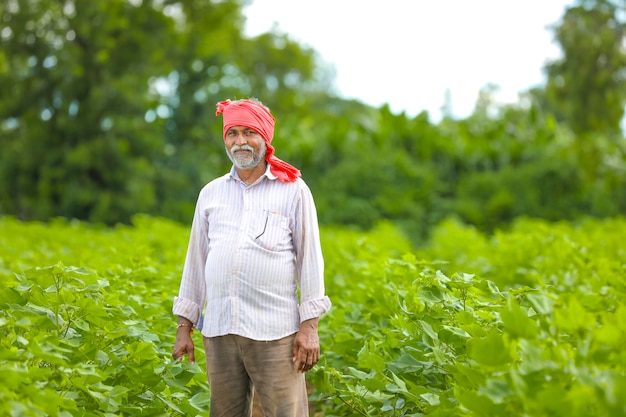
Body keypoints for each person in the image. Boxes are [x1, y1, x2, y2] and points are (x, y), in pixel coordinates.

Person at [172, 98, 331, 417]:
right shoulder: (211, 193)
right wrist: (184, 325)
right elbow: (196, 262)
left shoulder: (293, 190)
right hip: (219, 329)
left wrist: (309, 327)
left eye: (249, 132)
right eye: (233, 133)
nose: (240, 141)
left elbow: (310, 261)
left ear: (265, 138)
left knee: (284, 413)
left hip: (274, 331)